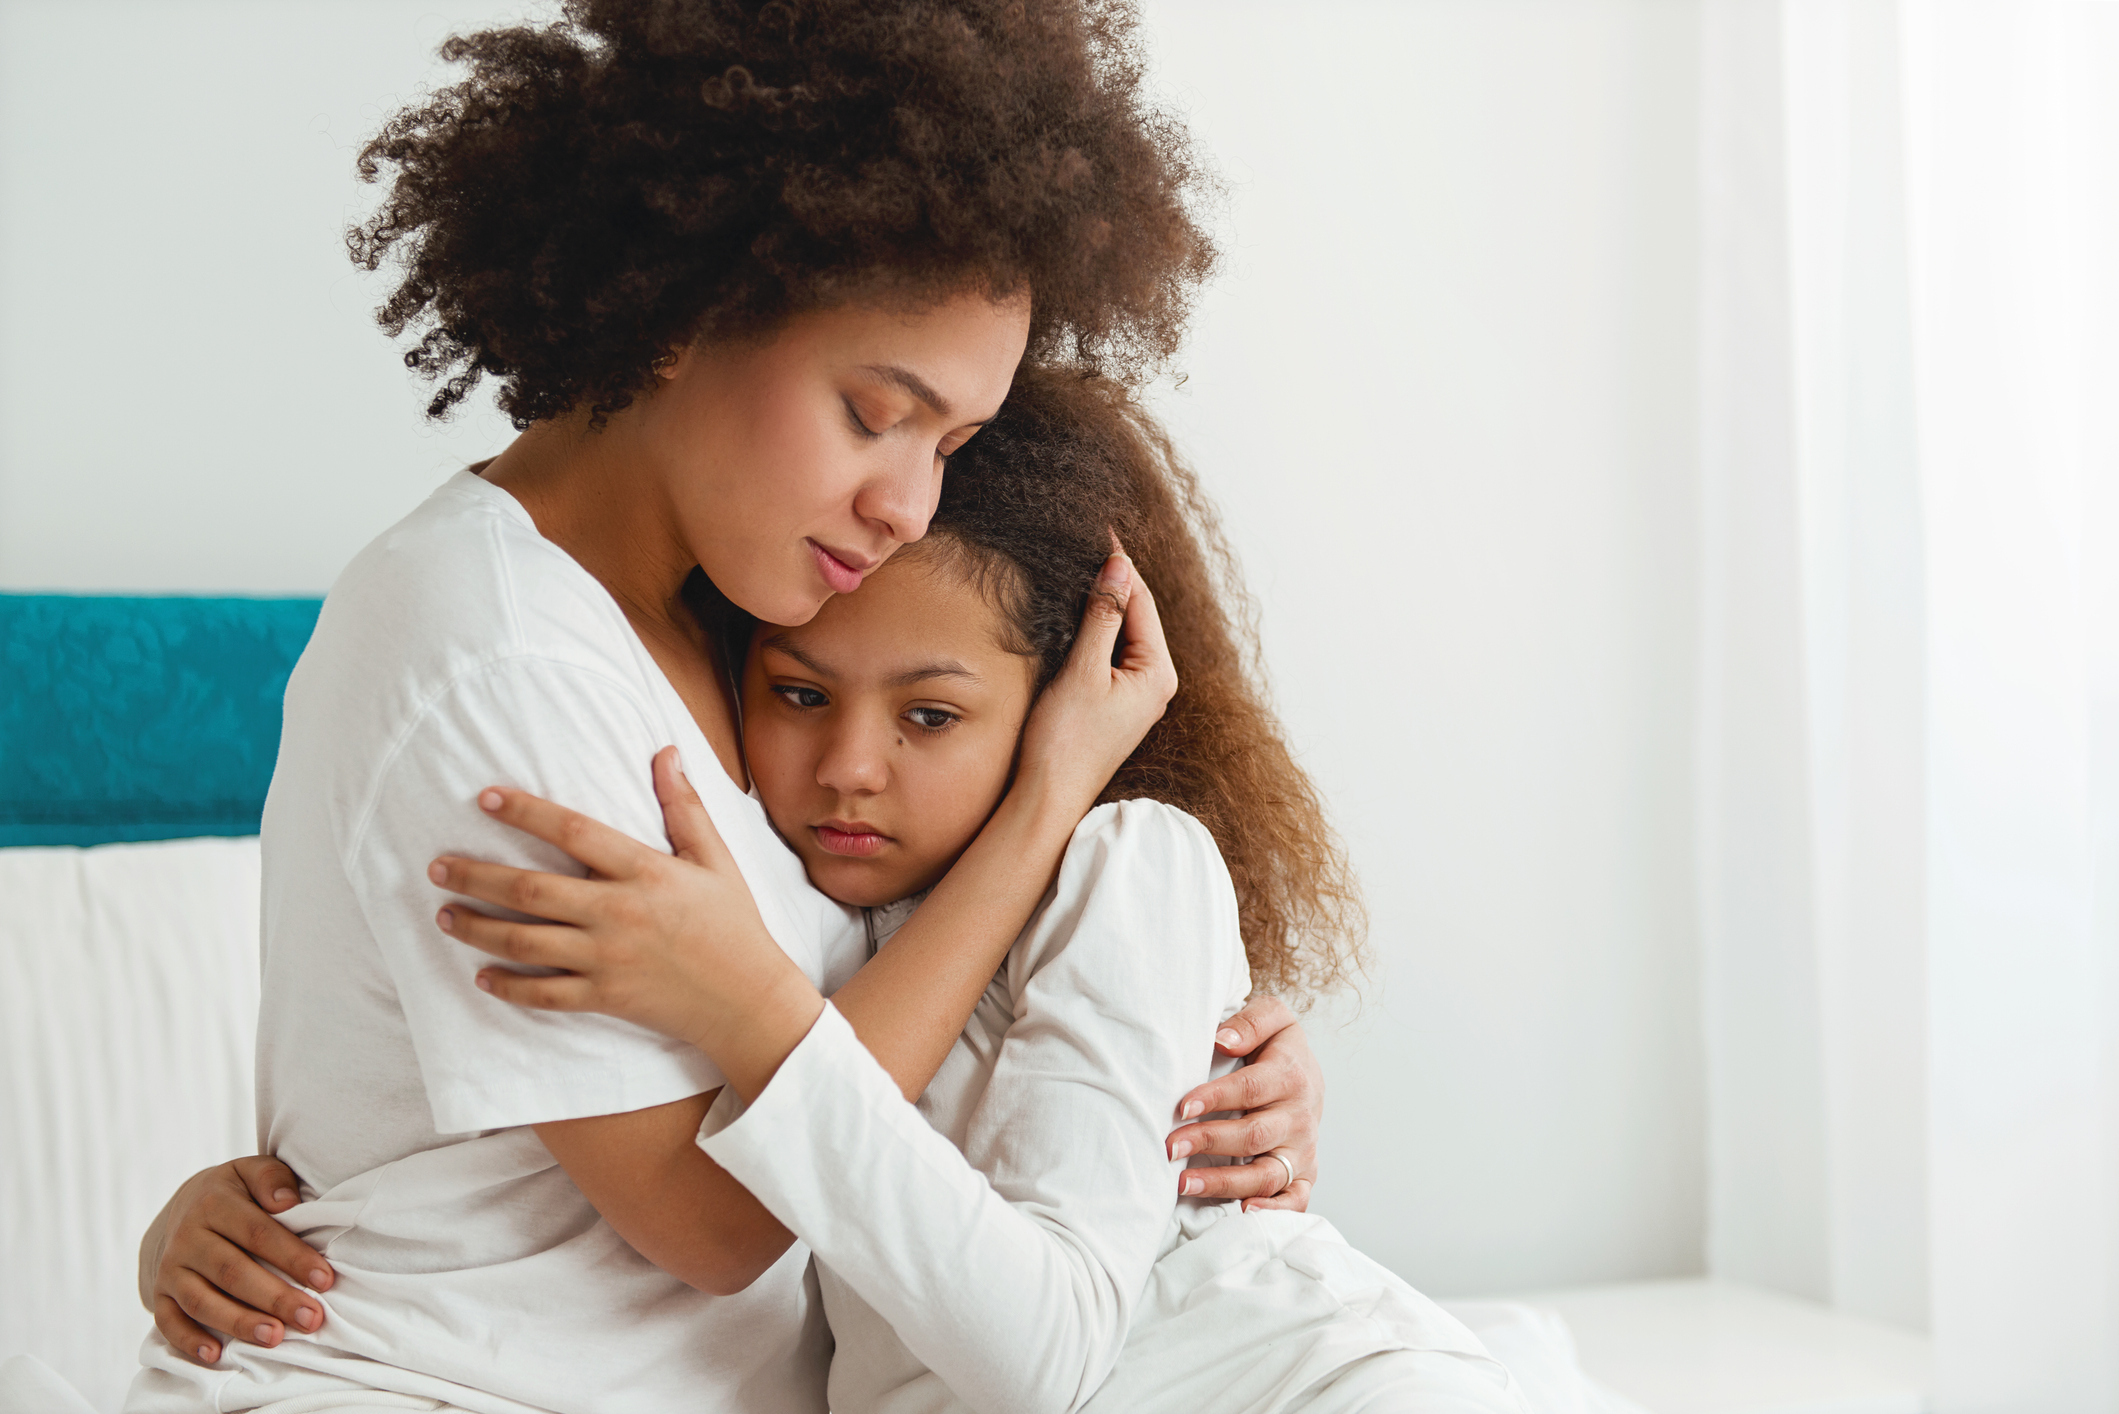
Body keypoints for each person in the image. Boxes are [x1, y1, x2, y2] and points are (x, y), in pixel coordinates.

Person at [128, 5, 1327, 1412]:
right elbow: (720, 1217)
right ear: (686, 304)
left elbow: (882, 1011)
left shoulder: (745, 629)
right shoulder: (495, 654)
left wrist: (1185, 1061)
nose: (908, 502)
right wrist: (1046, 807)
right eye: (872, 412)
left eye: (947, 441)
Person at [400, 367, 1590, 1412]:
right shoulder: (768, 911)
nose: (850, 769)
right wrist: (223, 1194)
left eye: (931, 714)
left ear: (1054, 708)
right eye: (800, 696)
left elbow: (1044, 1360)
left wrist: (753, 1014)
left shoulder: (1128, 861)